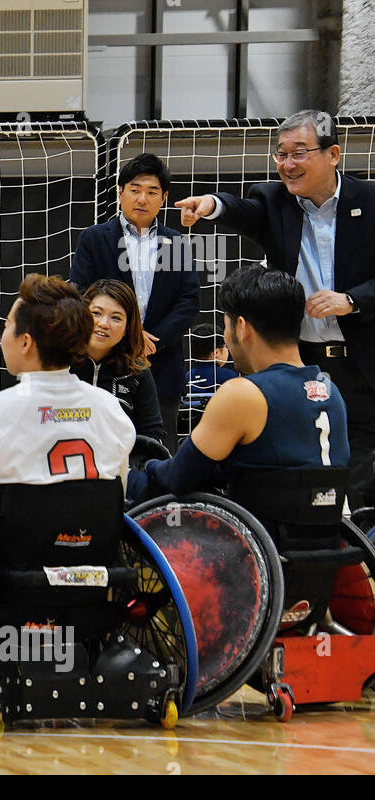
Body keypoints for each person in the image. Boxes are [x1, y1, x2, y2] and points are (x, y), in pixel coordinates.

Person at [175, 109, 375, 508]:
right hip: (304, 365)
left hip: (365, 363)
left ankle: (356, 555)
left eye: (299, 153)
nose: (287, 164)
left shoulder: (370, 201)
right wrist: (210, 204)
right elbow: (241, 211)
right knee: (306, 470)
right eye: (280, 154)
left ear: (333, 154)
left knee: (361, 480)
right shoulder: (273, 201)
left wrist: (351, 302)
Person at [0, 274, 134, 519]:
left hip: (11, 555)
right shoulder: (112, 408)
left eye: (7, 325)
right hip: (95, 553)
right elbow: (119, 492)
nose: (3, 334)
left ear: (25, 343)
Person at [128, 268, 347, 504]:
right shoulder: (331, 391)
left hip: (260, 534)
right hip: (326, 532)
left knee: (133, 484)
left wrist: (142, 466)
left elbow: (177, 477)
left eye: (226, 326)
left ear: (241, 327)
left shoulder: (242, 393)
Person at [69, 153, 200, 448]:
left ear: (164, 197)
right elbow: (80, 293)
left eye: (152, 192)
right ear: (120, 192)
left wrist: (153, 341)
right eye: (135, 189)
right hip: (102, 366)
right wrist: (127, 335)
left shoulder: (176, 242)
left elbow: (189, 300)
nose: (142, 198)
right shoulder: (94, 238)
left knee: (156, 451)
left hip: (162, 365)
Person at [69, 279, 166, 443]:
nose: (103, 324)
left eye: (116, 318)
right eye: (96, 313)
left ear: (128, 327)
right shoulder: (57, 362)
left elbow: (152, 432)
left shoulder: (137, 370)